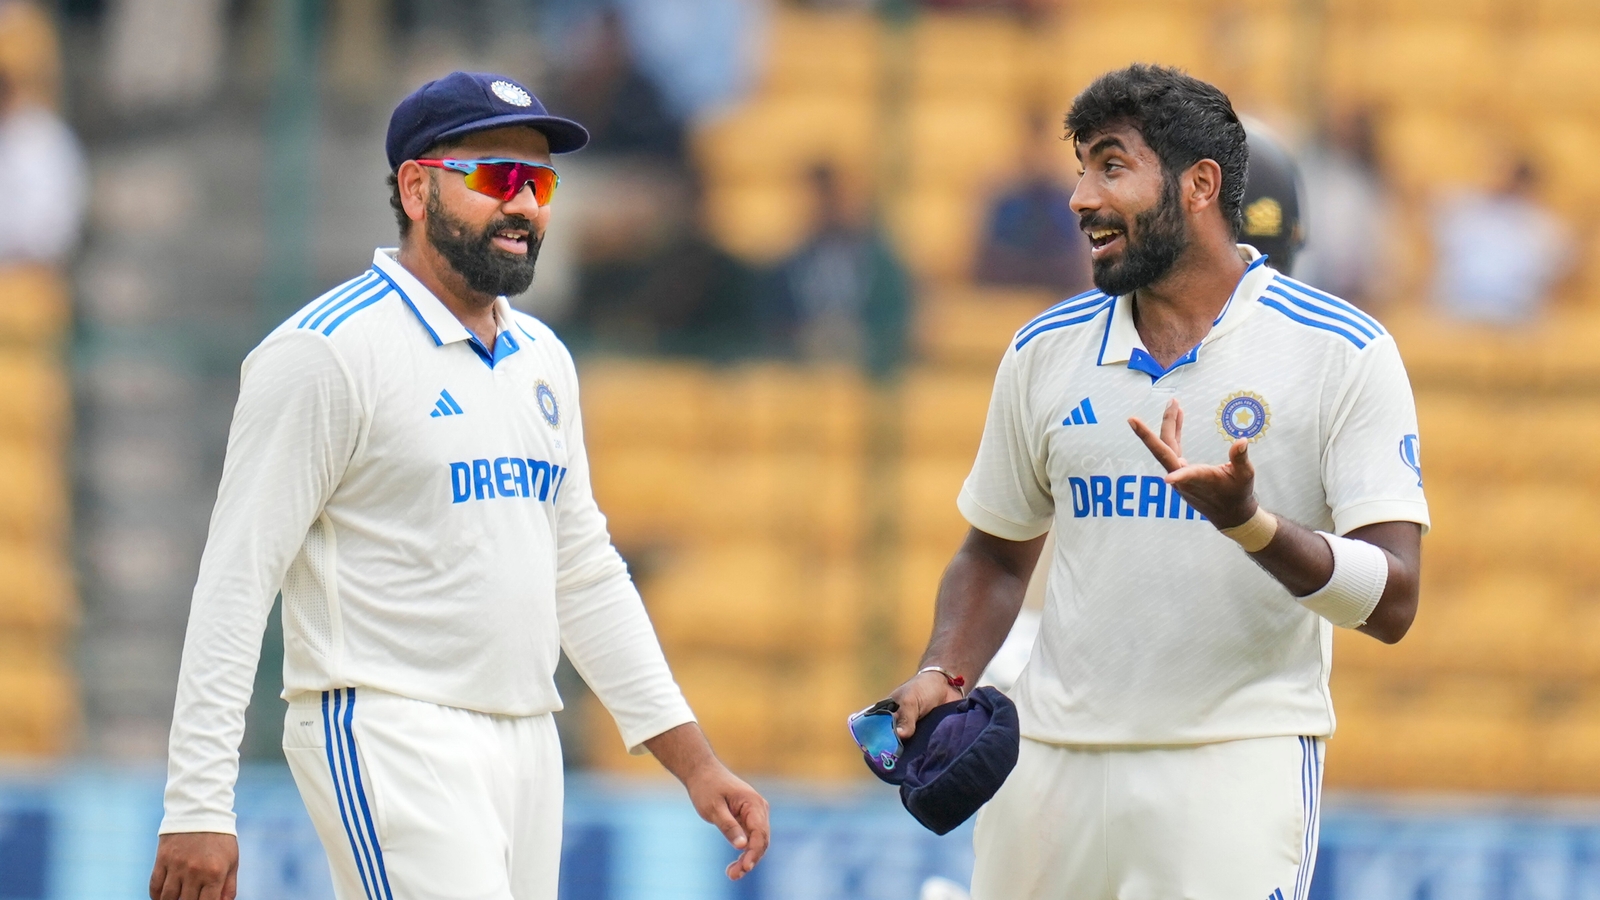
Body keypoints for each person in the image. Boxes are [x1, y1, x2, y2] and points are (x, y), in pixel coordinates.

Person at [148, 72, 769, 900]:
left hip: (526, 737)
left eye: (539, 183)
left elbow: (581, 571)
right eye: (496, 178)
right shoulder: (326, 353)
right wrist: (197, 802)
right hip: (386, 726)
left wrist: (694, 763)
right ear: (415, 187)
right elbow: (235, 579)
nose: (525, 207)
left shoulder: (543, 358)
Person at [883, 65, 1428, 899]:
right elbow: (994, 555)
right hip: (1048, 771)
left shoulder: (1343, 352)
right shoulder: (1043, 351)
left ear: (1199, 185)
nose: (1079, 198)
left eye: (1110, 166)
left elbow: (1392, 601)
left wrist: (1251, 525)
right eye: (1079, 169)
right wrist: (945, 673)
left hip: (1230, 770)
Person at [770, 162, 911, 377]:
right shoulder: (787, 268)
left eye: (831, 197)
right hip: (803, 377)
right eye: (817, 198)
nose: (825, 207)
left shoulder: (880, 265)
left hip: (865, 375)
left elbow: (897, 322)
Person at [1429, 157, 1574, 325]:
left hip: (1516, 314)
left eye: (1507, 175)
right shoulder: (1463, 208)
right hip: (1455, 310)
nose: (1498, 180)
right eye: (1495, 172)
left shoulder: (1543, 225)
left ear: (1524, 181)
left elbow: (1559, 270)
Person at [974, 111, 1093, 296]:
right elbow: (988, 253)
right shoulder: (1003, 195)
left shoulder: (1065, 196)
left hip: (1055, 274)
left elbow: (1075, 253)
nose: (1035, 152)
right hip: (1009, 274)